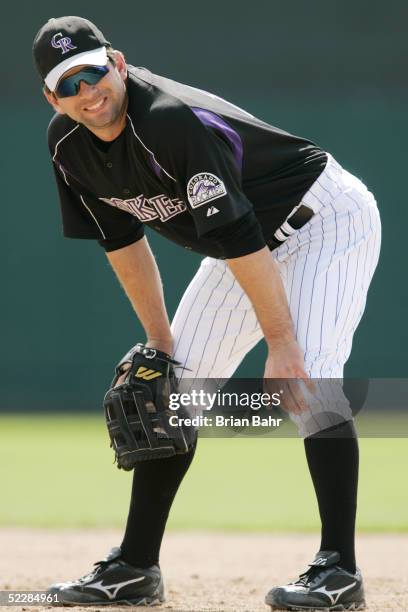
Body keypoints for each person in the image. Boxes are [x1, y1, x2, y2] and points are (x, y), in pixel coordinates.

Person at [32, 15, 380, 610]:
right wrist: (159, 340)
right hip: (239, 245)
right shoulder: (68, 146)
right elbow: (122, 242)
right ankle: (136, 567)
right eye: (69, 85)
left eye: (93, 73)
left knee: (312, 378)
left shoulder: (168, 122)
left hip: (322, 222)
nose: (87, 93)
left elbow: (243, 237)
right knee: (170, 388)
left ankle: (340, 571)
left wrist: (282, 342)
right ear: (52, 98)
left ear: (115, 63)